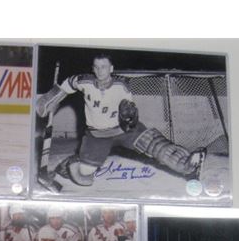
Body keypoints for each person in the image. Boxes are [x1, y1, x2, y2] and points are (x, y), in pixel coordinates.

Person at [36, 53, 205, 187]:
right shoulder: (84, 81)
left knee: (155, 146)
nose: (100, 71)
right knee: (83, 174)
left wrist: (130, 118)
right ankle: (67, 166)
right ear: (93, 69)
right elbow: (68, 83)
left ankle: (188, 164)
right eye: (97, 67)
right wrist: (50, 99)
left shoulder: (121, 86)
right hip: (97, 136)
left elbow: (130, 110)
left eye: (104, 67)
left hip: (124, 130)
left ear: (111, 68)